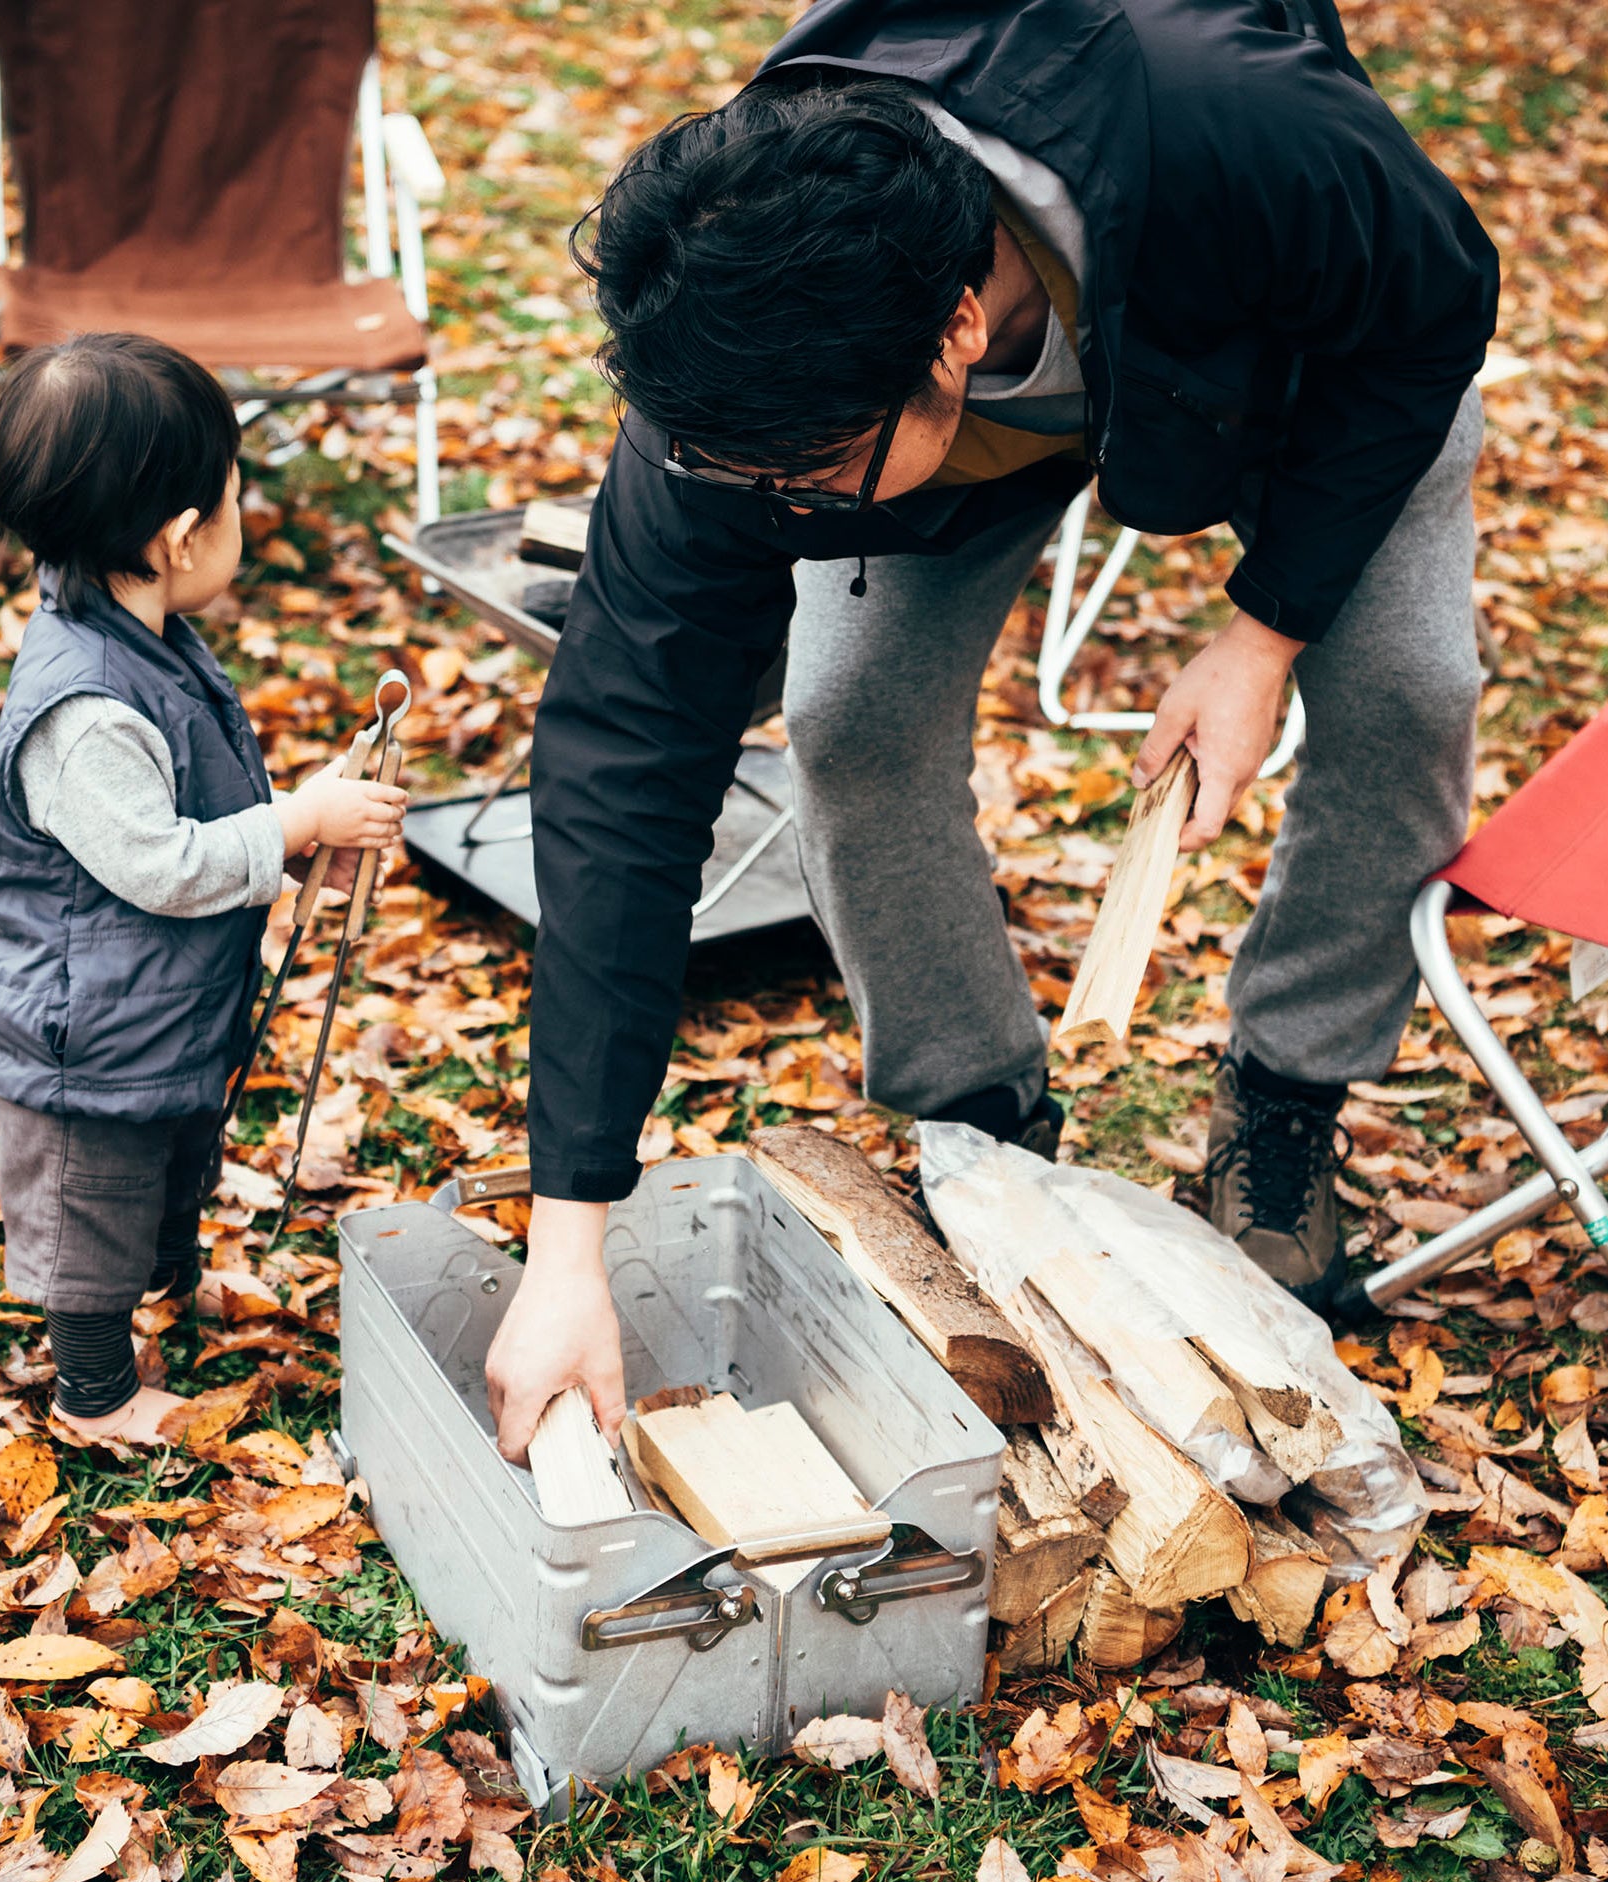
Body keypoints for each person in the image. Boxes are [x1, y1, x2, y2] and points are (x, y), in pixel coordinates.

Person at [484, 0, 1500, 1460]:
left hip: (1287, 355)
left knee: (1408, 688)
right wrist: (568, 1234)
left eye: (810, 479)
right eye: (747, 480)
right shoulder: (741, 352)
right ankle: (979, 1132)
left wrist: (1265, 626)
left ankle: (1284, 1097)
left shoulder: (1243, 134)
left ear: (957, 329)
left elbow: (1431, 306)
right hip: (955, 406)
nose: (776, 513)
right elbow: (618, 774)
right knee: (847, 712)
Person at [0, 333, 409, 1445]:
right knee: (91, 1205)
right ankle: (94, 1391)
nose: (243, 519)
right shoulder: (87, 711)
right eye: (237, 499)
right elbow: (158, 863)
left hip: (143, 1002)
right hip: (84, 1037)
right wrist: (293, 820)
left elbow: (194, 815)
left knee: (164, 1161)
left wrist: (289, 845)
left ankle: (152, 1287)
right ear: (179, 536)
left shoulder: (142, 637)